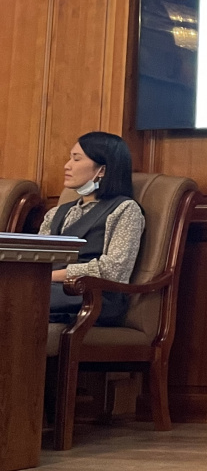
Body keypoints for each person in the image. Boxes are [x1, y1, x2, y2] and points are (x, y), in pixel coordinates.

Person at [39, 133, 145, 330]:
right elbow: (37, 257)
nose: (67, 165)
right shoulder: (56, 213)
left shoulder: (125, 209)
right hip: (50, 288)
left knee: (19, 296)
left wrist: (50, 277)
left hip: (93, 296)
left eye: (76, 159)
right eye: (70, 158)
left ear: (102, 170)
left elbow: (113, 270)